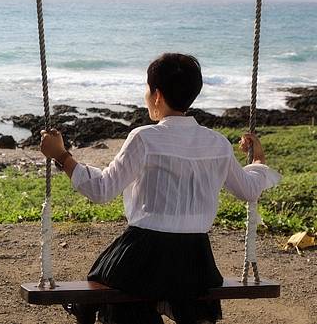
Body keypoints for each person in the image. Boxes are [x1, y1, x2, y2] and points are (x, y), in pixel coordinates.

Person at [40, 53, 282, 324]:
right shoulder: (217, 143)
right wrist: (258, 159)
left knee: (105, 280)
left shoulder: (145, 138)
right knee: (179, 294)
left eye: (147, 89)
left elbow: (102, 189)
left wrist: (61, 156)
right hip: (196, 261)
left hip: (143, 256)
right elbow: (249, 190)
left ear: (157, 95)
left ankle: (95, 311)